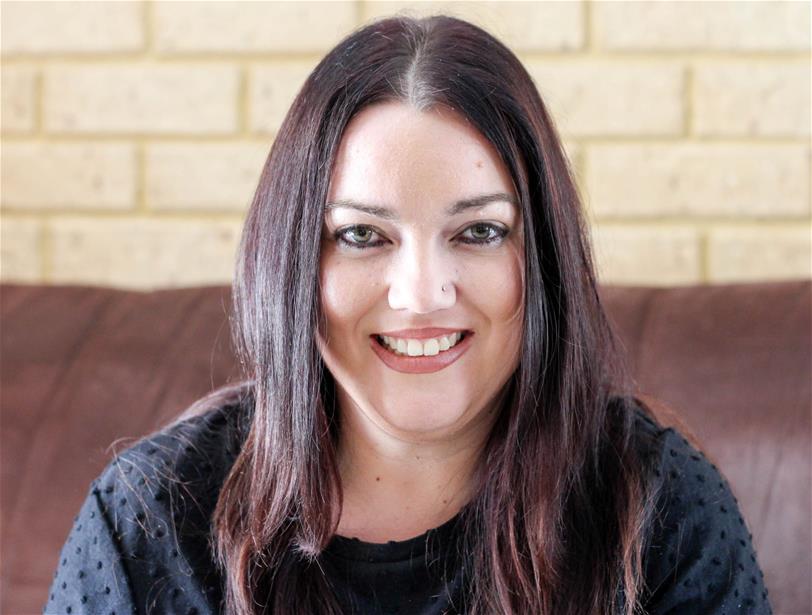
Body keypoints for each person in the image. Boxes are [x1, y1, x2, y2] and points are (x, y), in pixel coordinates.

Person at [44, 13, 772, 615]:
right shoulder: (146, 521)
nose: (421, 294)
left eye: (479, 231)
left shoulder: (661, 509)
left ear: (542, 257)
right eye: (362, 235)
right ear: (294, 260)